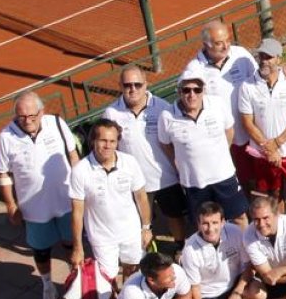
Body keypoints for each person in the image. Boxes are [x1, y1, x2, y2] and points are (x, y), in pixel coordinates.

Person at [0, 91, 79, 299]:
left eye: (32, 115)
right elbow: (3, 174)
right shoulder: (6, 137)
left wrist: (82, 188)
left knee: (71, 244)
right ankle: (48, 287)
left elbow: (73, 156)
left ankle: (75, 282)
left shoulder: (57, 125)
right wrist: (11, 205)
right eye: (22, 117)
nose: (27, 121)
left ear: (42, 112)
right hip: (34, 209)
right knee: (41, 250)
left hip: (66, 200)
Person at [104, 65, 191, 253]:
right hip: (135, 182)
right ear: (120, 86)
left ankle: (180, 248)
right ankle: (149, 254)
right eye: (127, 85)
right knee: (143, 222)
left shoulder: (162, 108)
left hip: (165, 177)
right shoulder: (111, 114)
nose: (132, 89)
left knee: (175, 216)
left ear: (146, 84)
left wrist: (179, 168)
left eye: (137, 84)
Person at [159, 69, 249, 224]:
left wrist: (220, 155)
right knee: (205, 224)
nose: (192, 94)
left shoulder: (217, 104)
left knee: (239, 217)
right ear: (179, 92)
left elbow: (229, 131)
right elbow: (166, 145)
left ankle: (244, 248)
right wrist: (180, 166)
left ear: (203, 91)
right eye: (186, 90)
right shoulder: (166, 116)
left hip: (224, 175)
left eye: (197, 90)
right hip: (194, 182)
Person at [69, 119, 152, 280]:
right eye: (103, 140)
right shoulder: (80, 171)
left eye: (112, 141)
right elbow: (77, 213)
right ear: (93, 141)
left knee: (133, 271)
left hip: (131, 232)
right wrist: (78, 247)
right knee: (107, 279)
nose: (108, 146)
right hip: (101, 237)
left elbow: (141, 197)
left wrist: (146, 227)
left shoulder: (129, 162)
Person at [182, 21, 258, 191]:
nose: (225, 46)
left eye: (228, 40)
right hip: (225, 138)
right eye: (219, 43)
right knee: (238, 182)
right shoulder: (194, 70)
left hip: (254, 130)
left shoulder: (241, 55)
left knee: (262, 179)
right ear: (206, 45)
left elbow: (260, 79)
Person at [238, 38, 286, 217]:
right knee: (274, 195)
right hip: (263, 154)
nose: (263, 60)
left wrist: (277, 142)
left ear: (278, 58)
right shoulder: (247, 86)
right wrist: (268, 148)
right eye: (261, 56)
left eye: (268, 57)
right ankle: (280, 230)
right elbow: (247, 122)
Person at [180, 202, 259, 299]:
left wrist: (237, 293)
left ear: (223, 222)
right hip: (208, 297)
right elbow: (195, 289)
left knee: (259, 293)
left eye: (215, 222)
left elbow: (248, 267)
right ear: (198, 224)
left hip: (233, 286)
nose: (210, 229)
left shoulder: (235, 232)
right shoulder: (189, 249)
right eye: (205, 223)